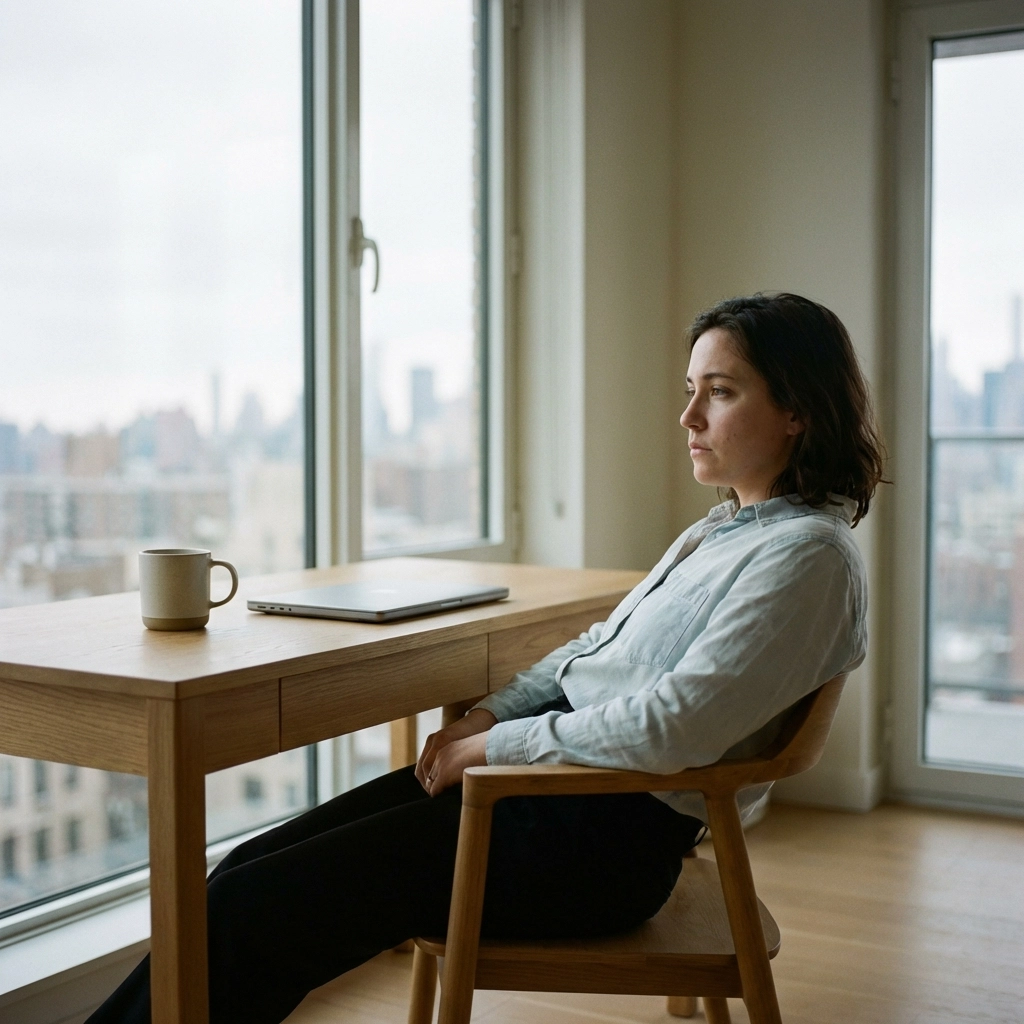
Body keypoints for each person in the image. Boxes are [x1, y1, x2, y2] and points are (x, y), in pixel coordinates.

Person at [88, 292, 885, 1024]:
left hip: (596, 841)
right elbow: (595, 651)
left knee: (259, 907)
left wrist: (493, 746)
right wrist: (489, 713)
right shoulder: (720, 532)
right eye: (690, 389)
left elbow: (672, 729)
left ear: (797, 411)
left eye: (720, 391)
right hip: (545, 794)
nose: (687, 417)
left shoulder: (807, 557)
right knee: (245, 870)